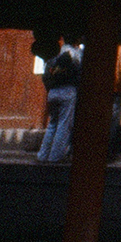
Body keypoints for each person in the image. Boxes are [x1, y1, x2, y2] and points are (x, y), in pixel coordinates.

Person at [35, 35, 80, 163]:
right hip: (68, 91)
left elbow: (46, 76)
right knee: (63, 125)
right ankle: (55, 156)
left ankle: (42, 155)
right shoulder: (75, 55)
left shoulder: (55, 55)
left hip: (53, 92)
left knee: (52, 124)